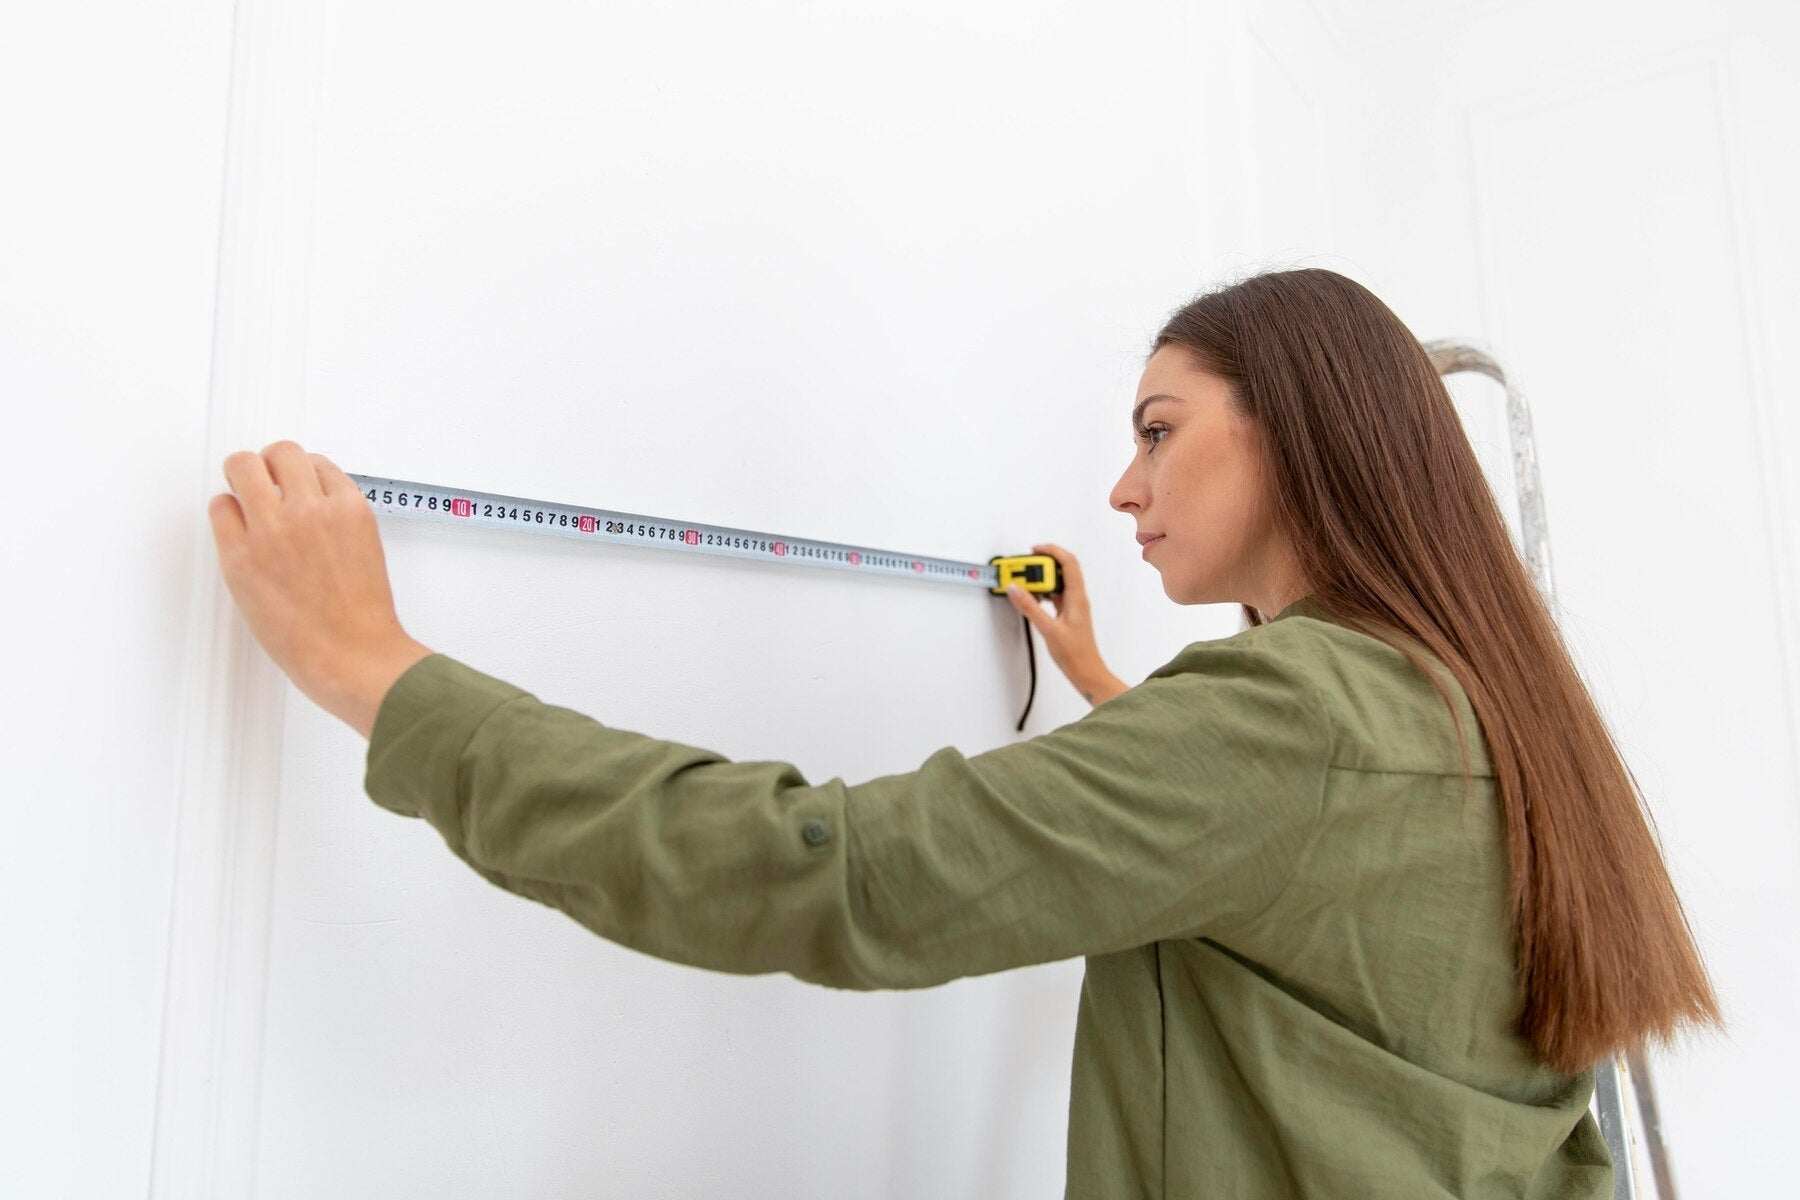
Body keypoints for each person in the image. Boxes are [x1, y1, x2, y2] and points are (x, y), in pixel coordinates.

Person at [211, 268, 1723, 1199]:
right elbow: (1316, 893)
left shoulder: (1294, 725)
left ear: (1305, 429)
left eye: (1156, 428)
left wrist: (380, 671)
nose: (1124, 489)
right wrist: (1112, 698)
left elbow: (833, 872)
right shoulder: (1468, 703)